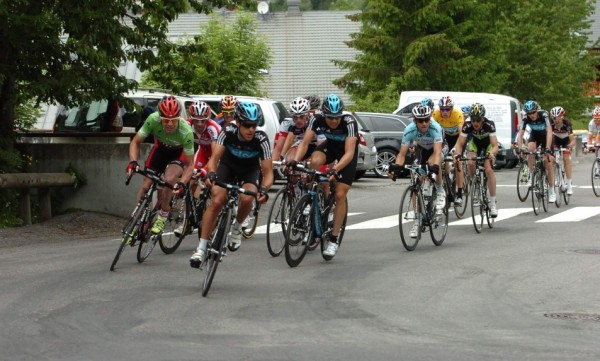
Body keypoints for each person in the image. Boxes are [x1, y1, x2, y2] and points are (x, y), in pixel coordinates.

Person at [190, 102, 273, 267]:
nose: (251, 129)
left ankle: (237, 227)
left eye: (254, 125)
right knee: (217, 200)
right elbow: (214, 159)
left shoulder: (261, 138)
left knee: (248, 198)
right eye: (247, 125)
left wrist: (264, 189)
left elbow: (269, 172)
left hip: (249, 171)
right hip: (227, 167)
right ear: (238, 122)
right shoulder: (227, 132)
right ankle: (201, 248)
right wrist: (212, 173)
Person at [288, 93, 358, 260]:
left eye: (336, 117)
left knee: (340, 194)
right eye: (330, 118)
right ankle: (313, 194)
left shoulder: (349, 122)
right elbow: (305, 143)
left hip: (347, 154)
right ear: (323, 114)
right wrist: (295, 161)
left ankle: (333, 239)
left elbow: (349, 153)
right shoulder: (316, 119)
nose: (334, 121)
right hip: (331, 147)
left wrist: (336, 169)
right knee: (314, 161)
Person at [126, 95, 195, 234]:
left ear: (179, 118)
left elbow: (190, 165)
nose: (170, 124)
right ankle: (137, 220)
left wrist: (182, 182)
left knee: (169, 180)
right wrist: (133, 162)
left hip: (178, 153)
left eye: (173, 120)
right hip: (160, 150)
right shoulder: (153, 119)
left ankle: (163, 215)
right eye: (166, 120)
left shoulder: (186, 131)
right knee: (146, 186)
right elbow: (135, 142)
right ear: (160, 117)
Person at [388, 104, 445, 238]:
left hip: (438, 148)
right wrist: (396, 168)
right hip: (422, 149)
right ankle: (417, 220)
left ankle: (440, 189)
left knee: (432, 163)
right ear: (415, 121)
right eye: (420, 120)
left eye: (426, 119)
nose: (424, 123)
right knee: (416, 178)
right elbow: (402, 154)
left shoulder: (435, 128)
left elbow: (437, 152)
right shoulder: (409, 130)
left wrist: (435, 168)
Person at [174, 101, 222, 237]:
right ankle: (187, 219)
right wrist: (177, 164)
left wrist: (205, 171)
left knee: (210, 184)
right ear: (192, 118)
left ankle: (215, 214)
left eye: (203, 121)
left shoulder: (213, 128)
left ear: (207, 119)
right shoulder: (187, 125)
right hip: (202, 152)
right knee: (190, 181)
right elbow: (181, 149)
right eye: (196, 120)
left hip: (216, 154)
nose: (199, 124)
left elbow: (214, 156)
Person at [453, 103, 499, 218]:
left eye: (478, 120)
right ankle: (475, 185)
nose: (475, 123)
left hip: (488, 145)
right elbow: (460, 143)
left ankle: (493, 202)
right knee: (470, 161)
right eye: (473, 120)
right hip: (475, 145)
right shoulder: (467, 125)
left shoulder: (489, 125)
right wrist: (457, 155)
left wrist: (491, 153)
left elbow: (495, 145)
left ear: (483, 119)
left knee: (488, 170)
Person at [516, 100, 555, 203]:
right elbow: (520, 135)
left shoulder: (544, 115)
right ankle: (531, 174)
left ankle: (552, 190)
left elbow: (550, 132)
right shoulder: (526, 119)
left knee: (548, 162)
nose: (531, 115)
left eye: (533, 112)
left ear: (537, 111)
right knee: (530, 148)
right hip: (536, 136)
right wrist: (520, 149)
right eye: (529, 113)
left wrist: (547, 148)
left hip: (546, 137)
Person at [432, 95, 465, 205]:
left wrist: (456, 148)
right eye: (442, 109)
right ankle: (447, 179)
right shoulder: (436, 114)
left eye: (447, 109)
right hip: (445, 138)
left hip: (457, 138)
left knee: (457, 162)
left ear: (452, 109)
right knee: (442, 159)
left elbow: (461, 135)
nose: (444, 112)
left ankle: (459, 194)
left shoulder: (458, 115)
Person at [279, 97, 317, 163]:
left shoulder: (316, 120)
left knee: (313, 161)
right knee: (289, 160)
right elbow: (289, 141)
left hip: (317, 144)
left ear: (307, 114)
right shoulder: (291, 123)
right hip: (301, 143)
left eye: (301, 117)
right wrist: (281, 157)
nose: (298, 120)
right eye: (295, 117)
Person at [549, 106, 575, 195]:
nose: (556, 120)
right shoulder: (550, 123)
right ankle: (556, 177)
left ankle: (569, 185)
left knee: (566, 158)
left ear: (562, 117)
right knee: (552, 159)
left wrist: (570, 146)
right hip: (556, 140)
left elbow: (572, 140)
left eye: (558, 118)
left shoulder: (567, 124)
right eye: (553, 118)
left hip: (566, 141)